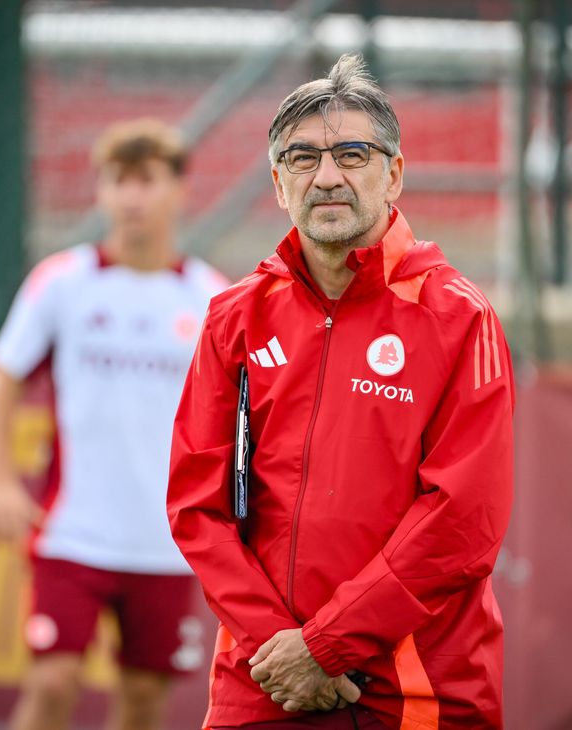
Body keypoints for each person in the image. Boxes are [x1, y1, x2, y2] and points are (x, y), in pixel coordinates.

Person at [167, 55, 515, 729]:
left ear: (395, 174)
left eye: (352, 155)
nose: (326, 177)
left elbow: (462, 522)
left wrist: (327, 646)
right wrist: (282, 647)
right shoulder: (234, 317)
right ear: (278, 184)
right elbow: (196, 507)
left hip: (416, 691)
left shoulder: (458, 318)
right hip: (265, 680)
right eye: (302, 159)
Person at [0, 119, 228, 730]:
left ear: (180, 190)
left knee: (143, 697)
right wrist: (0, 481)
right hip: (74, 534)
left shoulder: (210, 297)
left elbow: (234, 418)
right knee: (52, 684)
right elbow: (1, 384)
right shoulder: (63, 282)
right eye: (119, 181)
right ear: (101, 192)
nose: (132, 196)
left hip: (167, 542)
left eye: (147, 180)